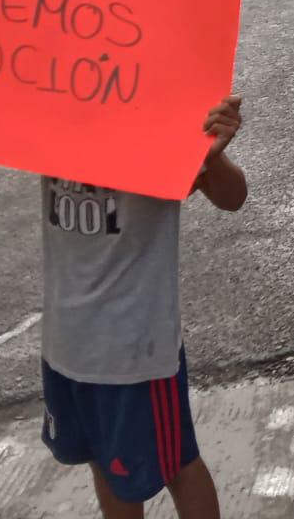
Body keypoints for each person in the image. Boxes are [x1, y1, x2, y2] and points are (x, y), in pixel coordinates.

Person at [39, 96, 247, 519]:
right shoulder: (50, 106)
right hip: (65, 340)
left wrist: (213, 156)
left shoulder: (158, 109)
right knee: (102, 457)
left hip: (135, 349)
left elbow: (233, 196)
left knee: (177, 466)